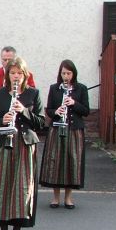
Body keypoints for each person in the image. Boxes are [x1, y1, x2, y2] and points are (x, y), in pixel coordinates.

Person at [0, 57, 45, 230]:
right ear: (7, 75)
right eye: (12, 73)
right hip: (2, 145)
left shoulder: (33, 93)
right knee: (1, 188)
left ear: (25, 75)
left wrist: (23, 111)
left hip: (24, 146)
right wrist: (2, 120)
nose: (16, 76)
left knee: (21, 190)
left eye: (19, 73)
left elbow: (41, 123)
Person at [40, 59, 90, 209]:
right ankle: (55, 198)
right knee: (55, 161)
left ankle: (68, 198)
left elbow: (86, 111)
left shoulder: (81, 89)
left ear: (73, 73)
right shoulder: (54, 88)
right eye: (63, 73)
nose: (66, 76)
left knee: (71, 162)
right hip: (56, 129)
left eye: (68, 73)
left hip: (74, 131)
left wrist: (74, 103)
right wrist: (56, 111)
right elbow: (49, 110)